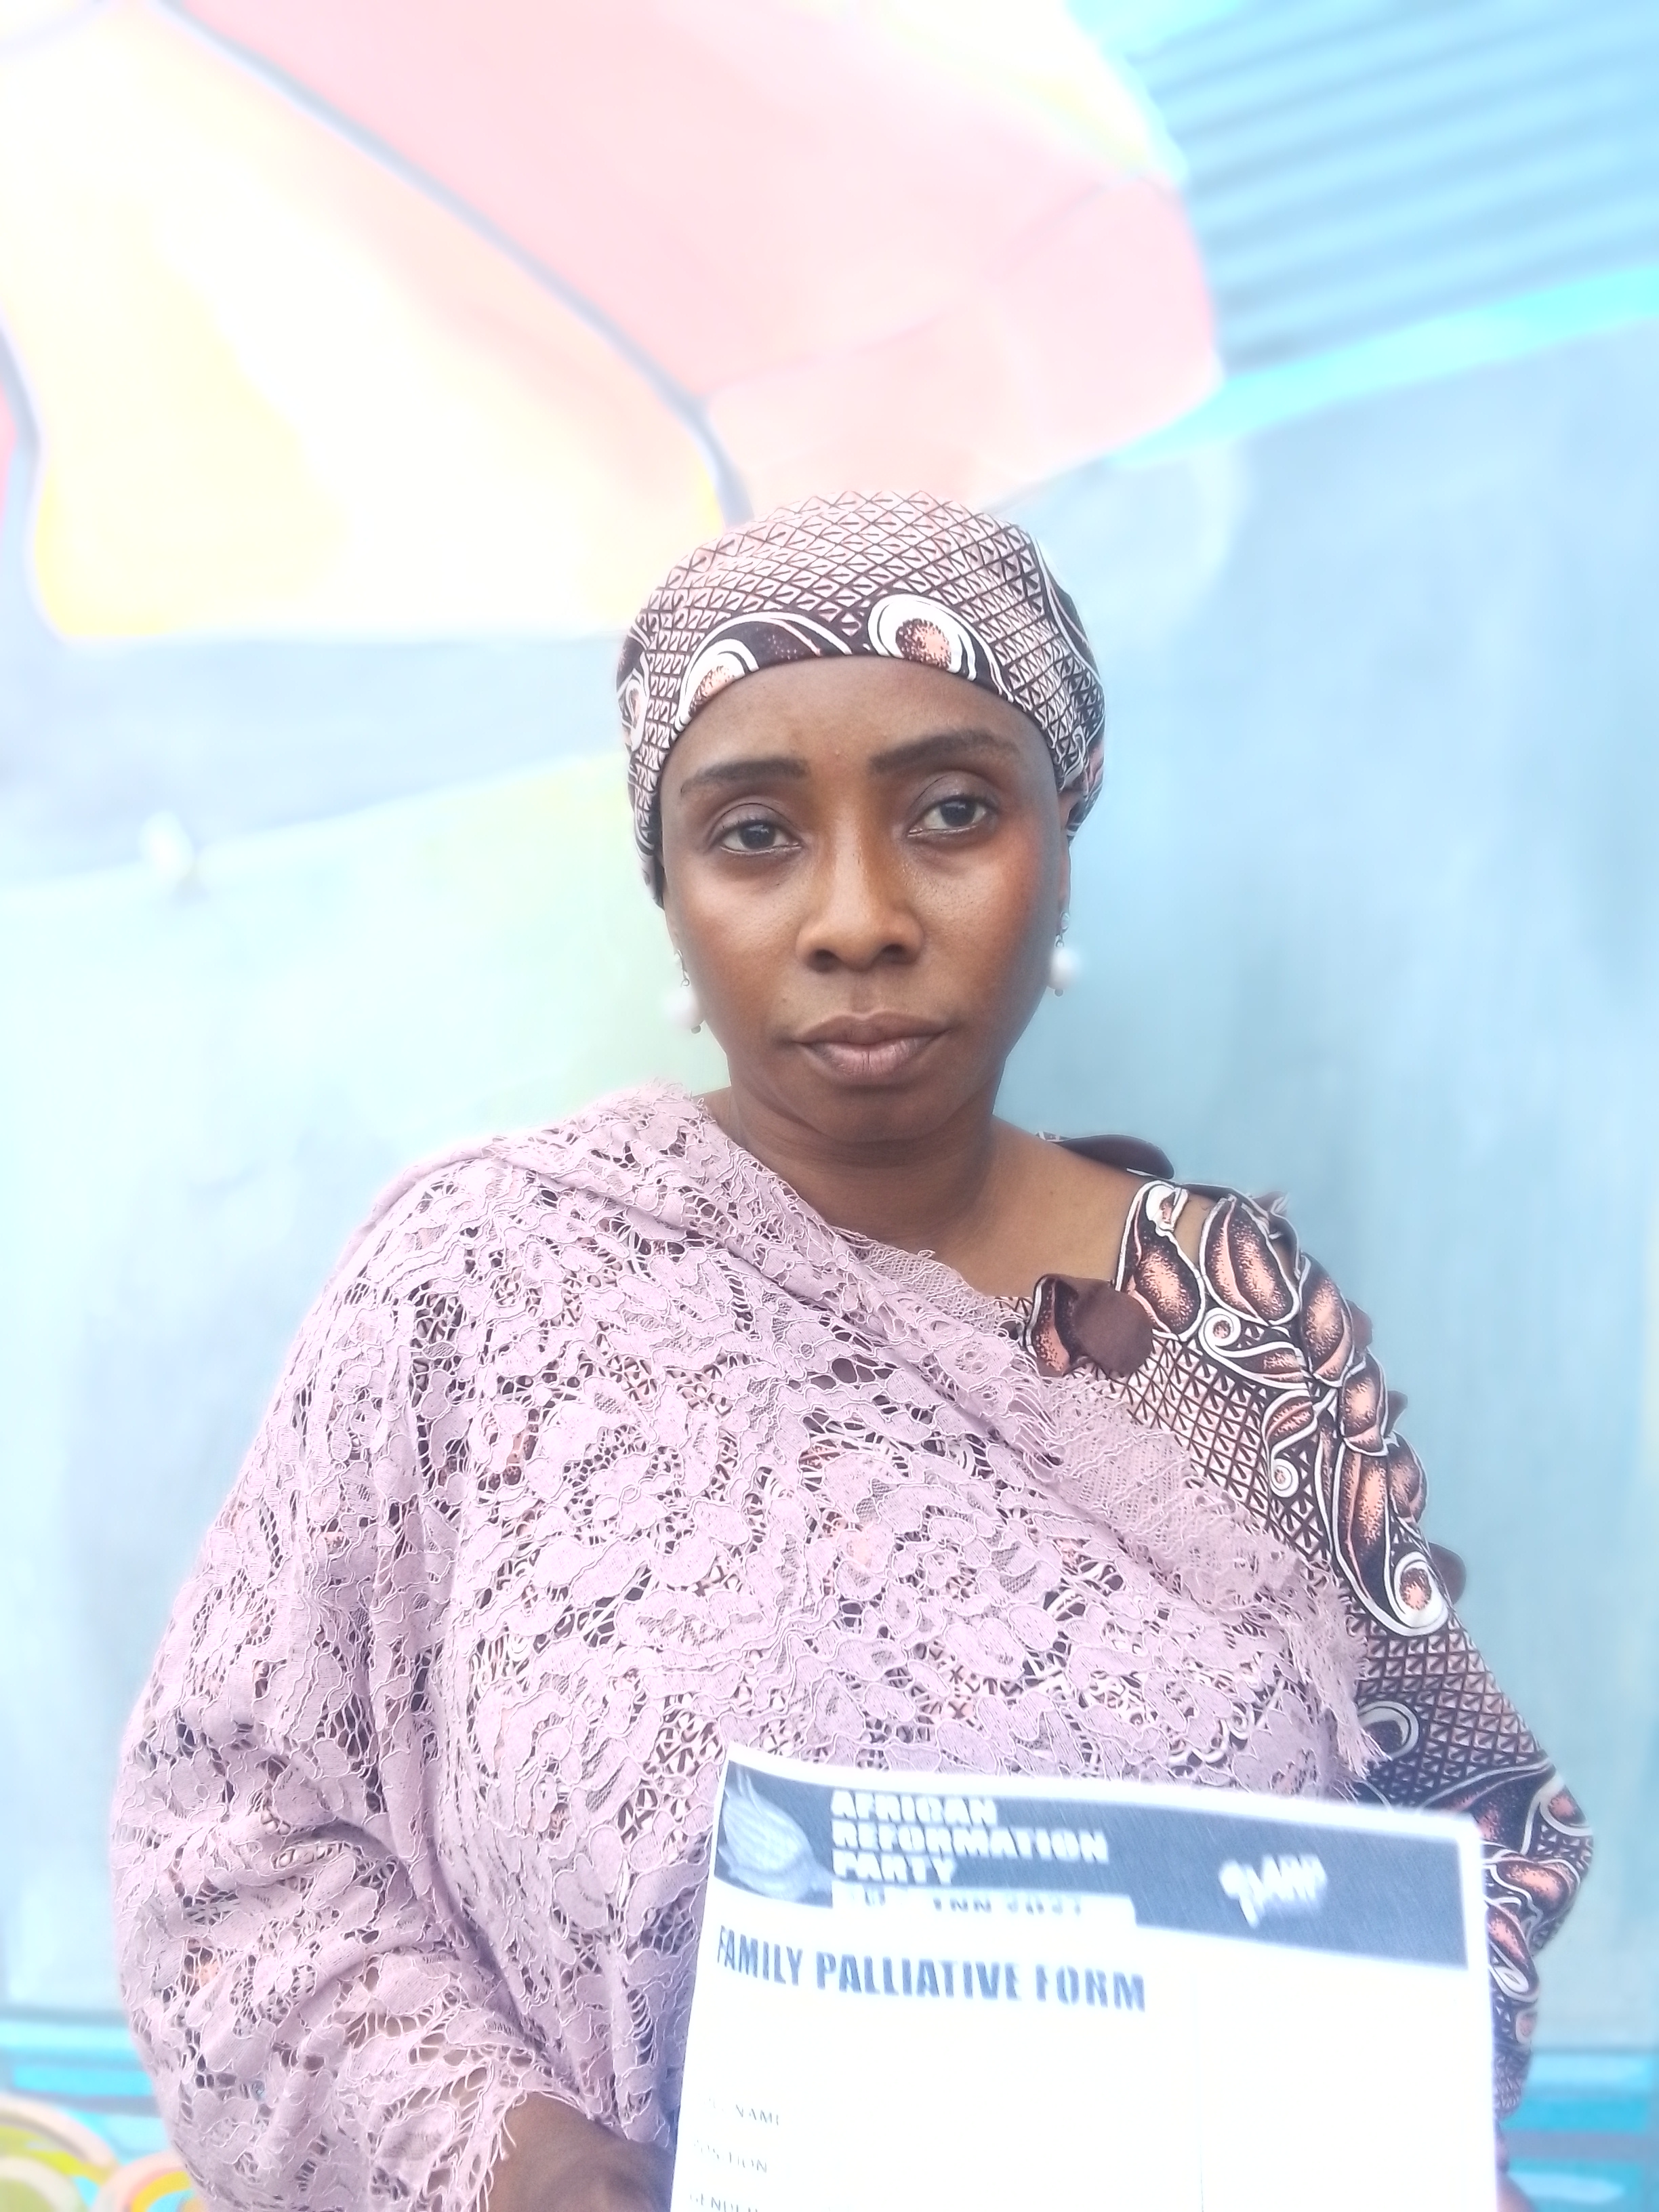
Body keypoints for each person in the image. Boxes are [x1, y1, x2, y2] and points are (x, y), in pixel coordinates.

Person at [112, 493, 1587, 2212]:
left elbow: (1459, 1844)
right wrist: (518, 2167)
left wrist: (1376, 2139)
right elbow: (232, 1855)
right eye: (755, 834)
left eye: (951, 811)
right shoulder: (481, 1288)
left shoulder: (1230, 1321)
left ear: (1060, 837)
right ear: (667, 885)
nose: (859, 917)